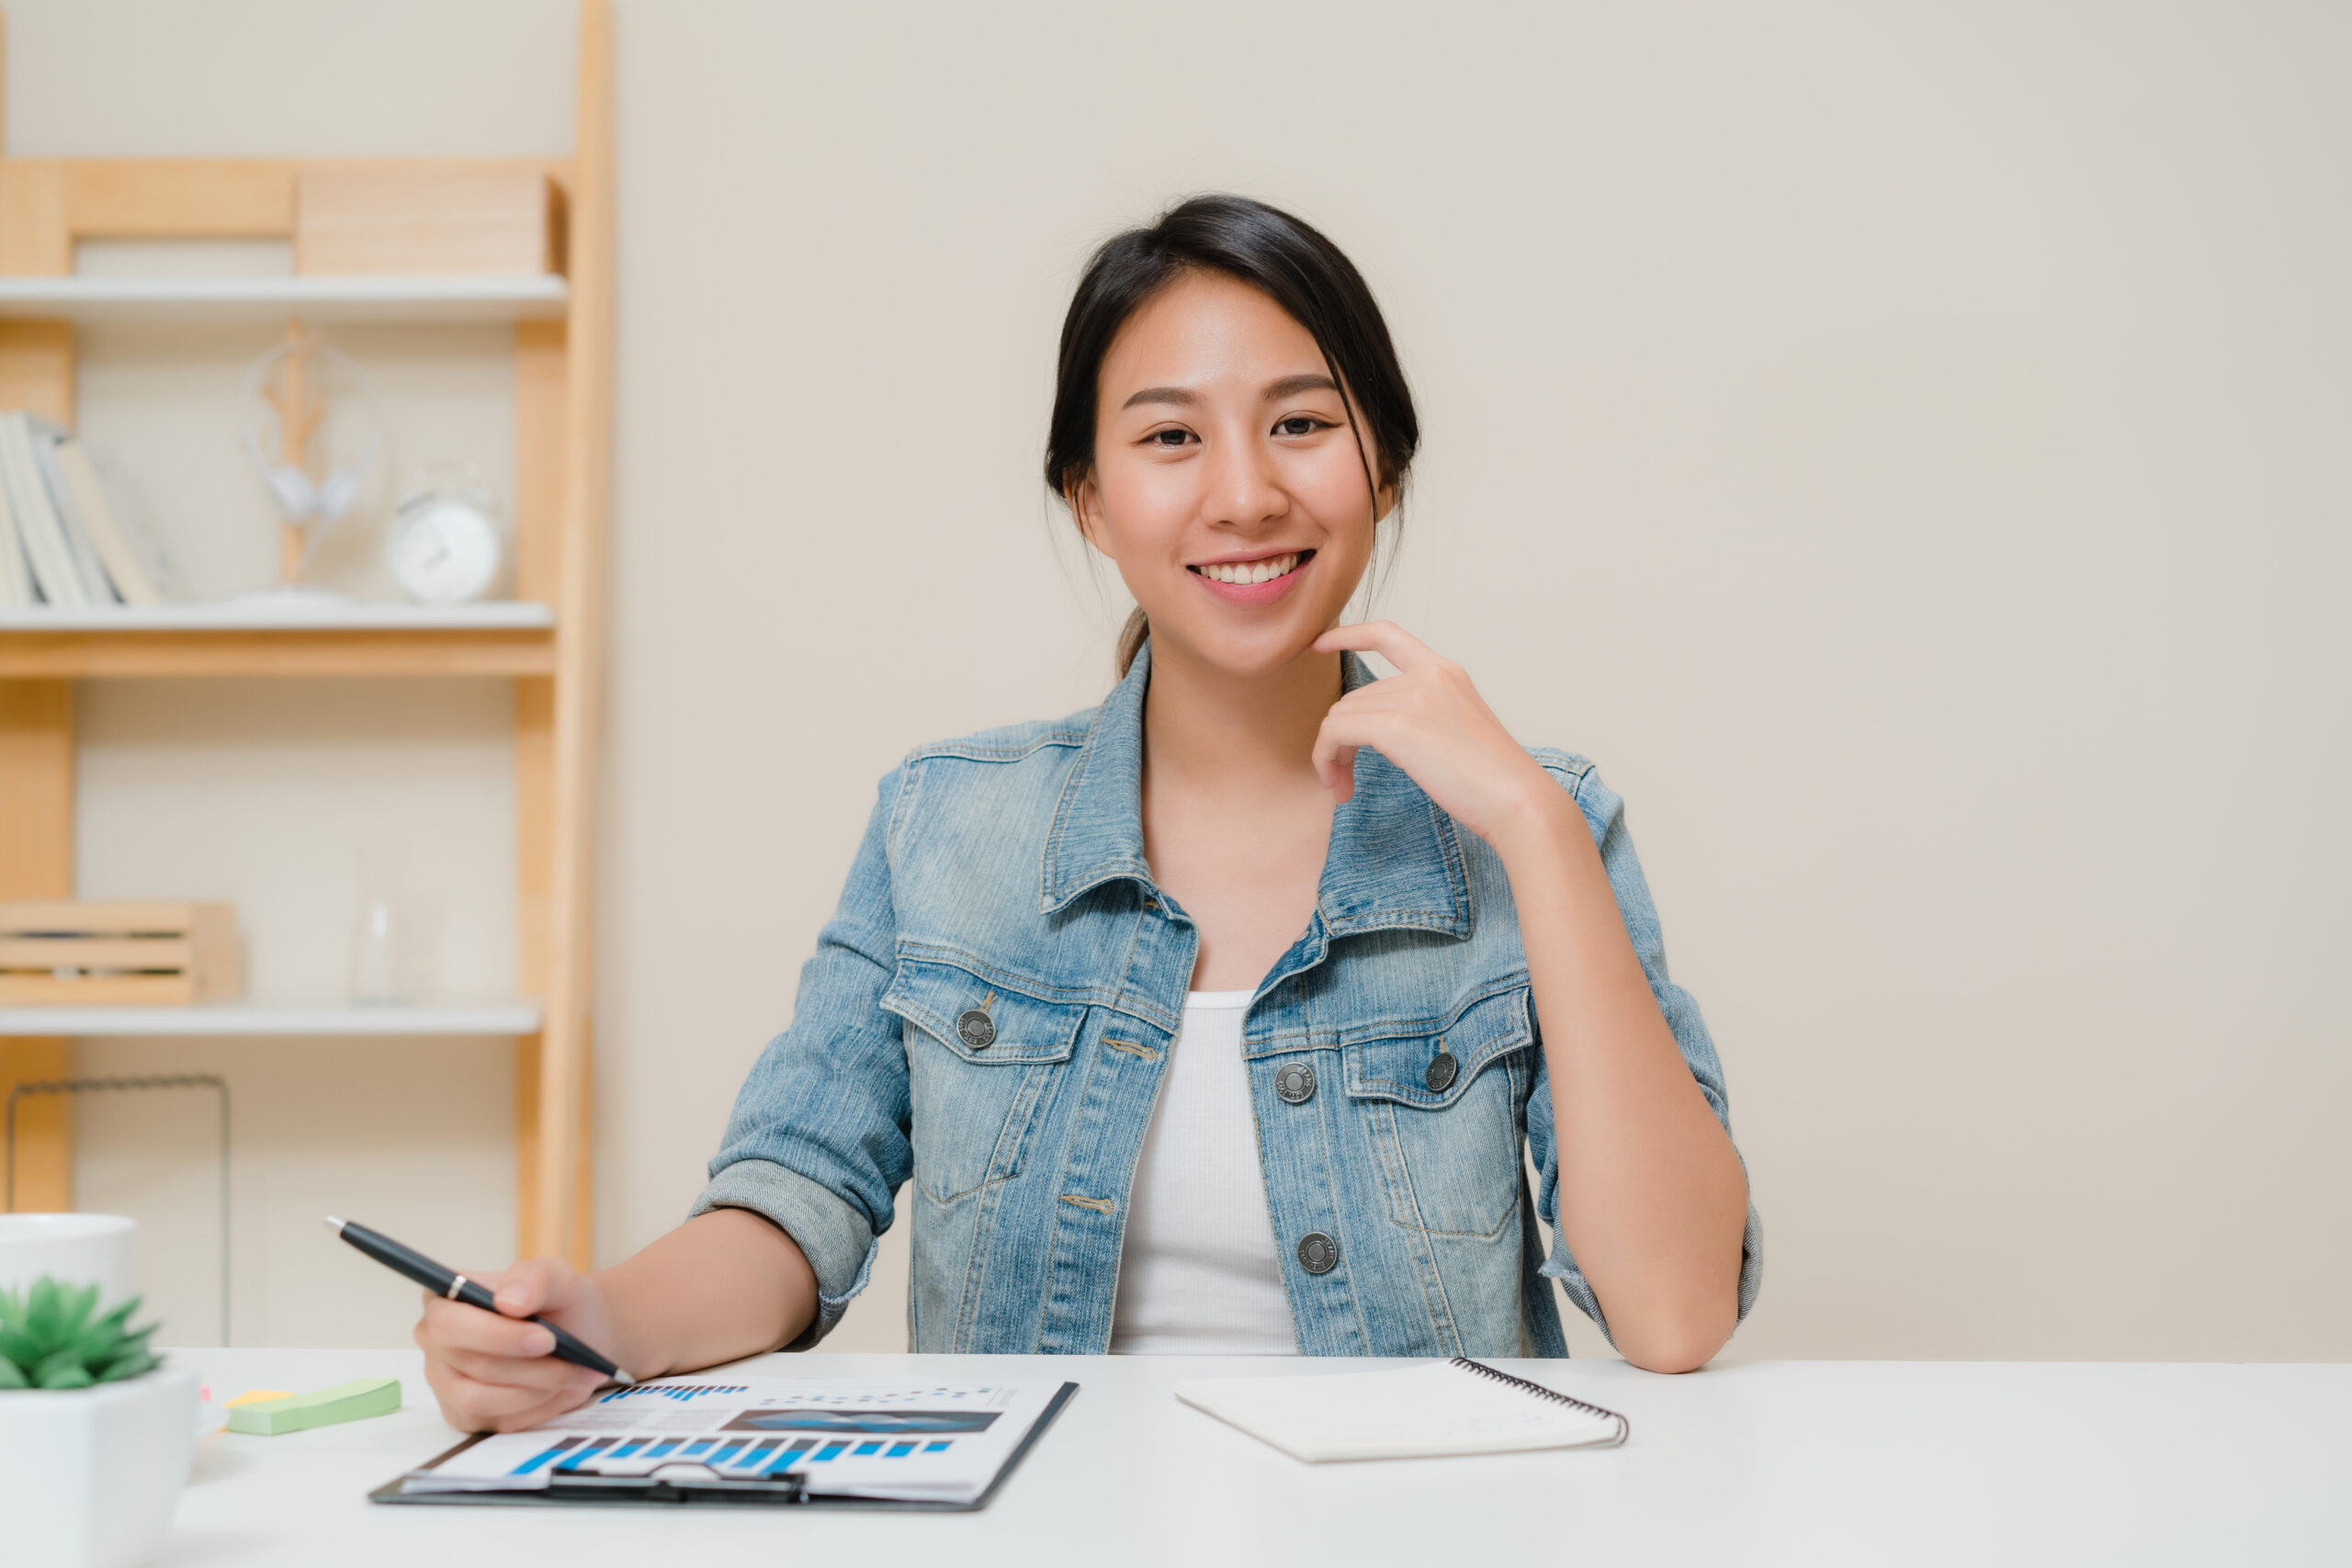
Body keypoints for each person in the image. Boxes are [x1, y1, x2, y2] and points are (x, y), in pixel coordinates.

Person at [419, 195, 1760, 1433]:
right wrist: (600, 1323)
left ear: (1385, 468)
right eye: (1171, 436)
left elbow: (1675, 1313)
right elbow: (797, 1196)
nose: (1244, 493)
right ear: (1091, 498)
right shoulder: (941, 824)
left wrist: (1531, 826)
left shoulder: (1541, 821)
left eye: (1301, 422)